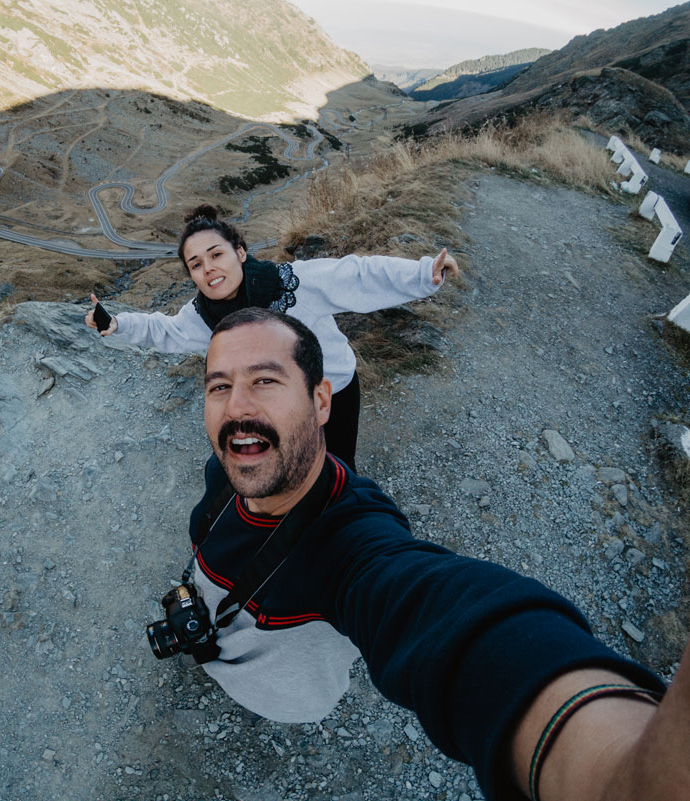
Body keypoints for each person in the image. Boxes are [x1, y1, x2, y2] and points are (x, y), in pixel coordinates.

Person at [176, 306, 688, 801]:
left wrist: (616, 770)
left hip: (290, 701)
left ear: (321, 401)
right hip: (214, 644)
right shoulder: (227, 468)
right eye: (219, 386)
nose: (237, 408)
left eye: (265, 380)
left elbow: (440, 611)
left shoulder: (352, 540)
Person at [85, 204, 459, 472]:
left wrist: (424, 273)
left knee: (339, 469)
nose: (209, 267)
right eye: (196, 264)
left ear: (240, 253)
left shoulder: (293, 283)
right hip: (276, 404)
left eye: (216, 254)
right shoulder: (203, 316)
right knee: (288, 469)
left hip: (334, 389)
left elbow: (357, 275)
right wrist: (117, 326)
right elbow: (163, 330)